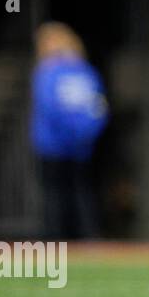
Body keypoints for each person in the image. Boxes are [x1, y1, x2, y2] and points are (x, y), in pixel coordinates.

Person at [30, 23, 108, 239]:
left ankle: (60, 239)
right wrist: (84, 133)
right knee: (78, 192)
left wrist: (74, 134)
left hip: (54, 145)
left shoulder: (49, 72)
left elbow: (49, 107)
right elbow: (99, 108)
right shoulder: (86, 72)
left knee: (58, 194)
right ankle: (85, 238)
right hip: (78, 144)